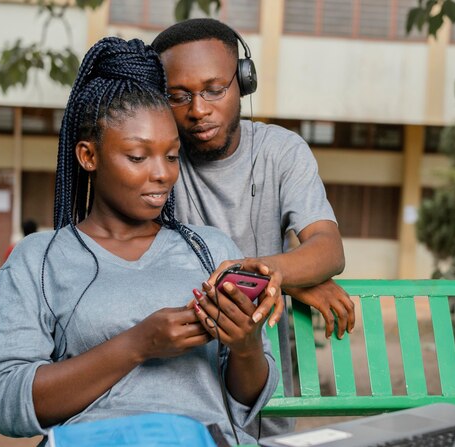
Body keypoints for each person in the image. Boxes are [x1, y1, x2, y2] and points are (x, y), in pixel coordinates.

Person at [0, 37, 279, 446]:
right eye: (138, 157)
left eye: (172, 157)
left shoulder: (211, 251)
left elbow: (245, 398)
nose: (162, 175)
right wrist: (137, 345)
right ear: (88, 155)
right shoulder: (40, 259)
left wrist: (245, 345)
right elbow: (4, 400)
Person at [151, 19, 355, 437]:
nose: (198, 109)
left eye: (214, 89)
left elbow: (328, 250)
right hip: (183, 384)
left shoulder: (281, 151)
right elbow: (155, 265)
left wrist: (263, 274)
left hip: (265, 387)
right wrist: (290, 280)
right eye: (179, 95)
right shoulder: (158, 160)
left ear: (243, 82)